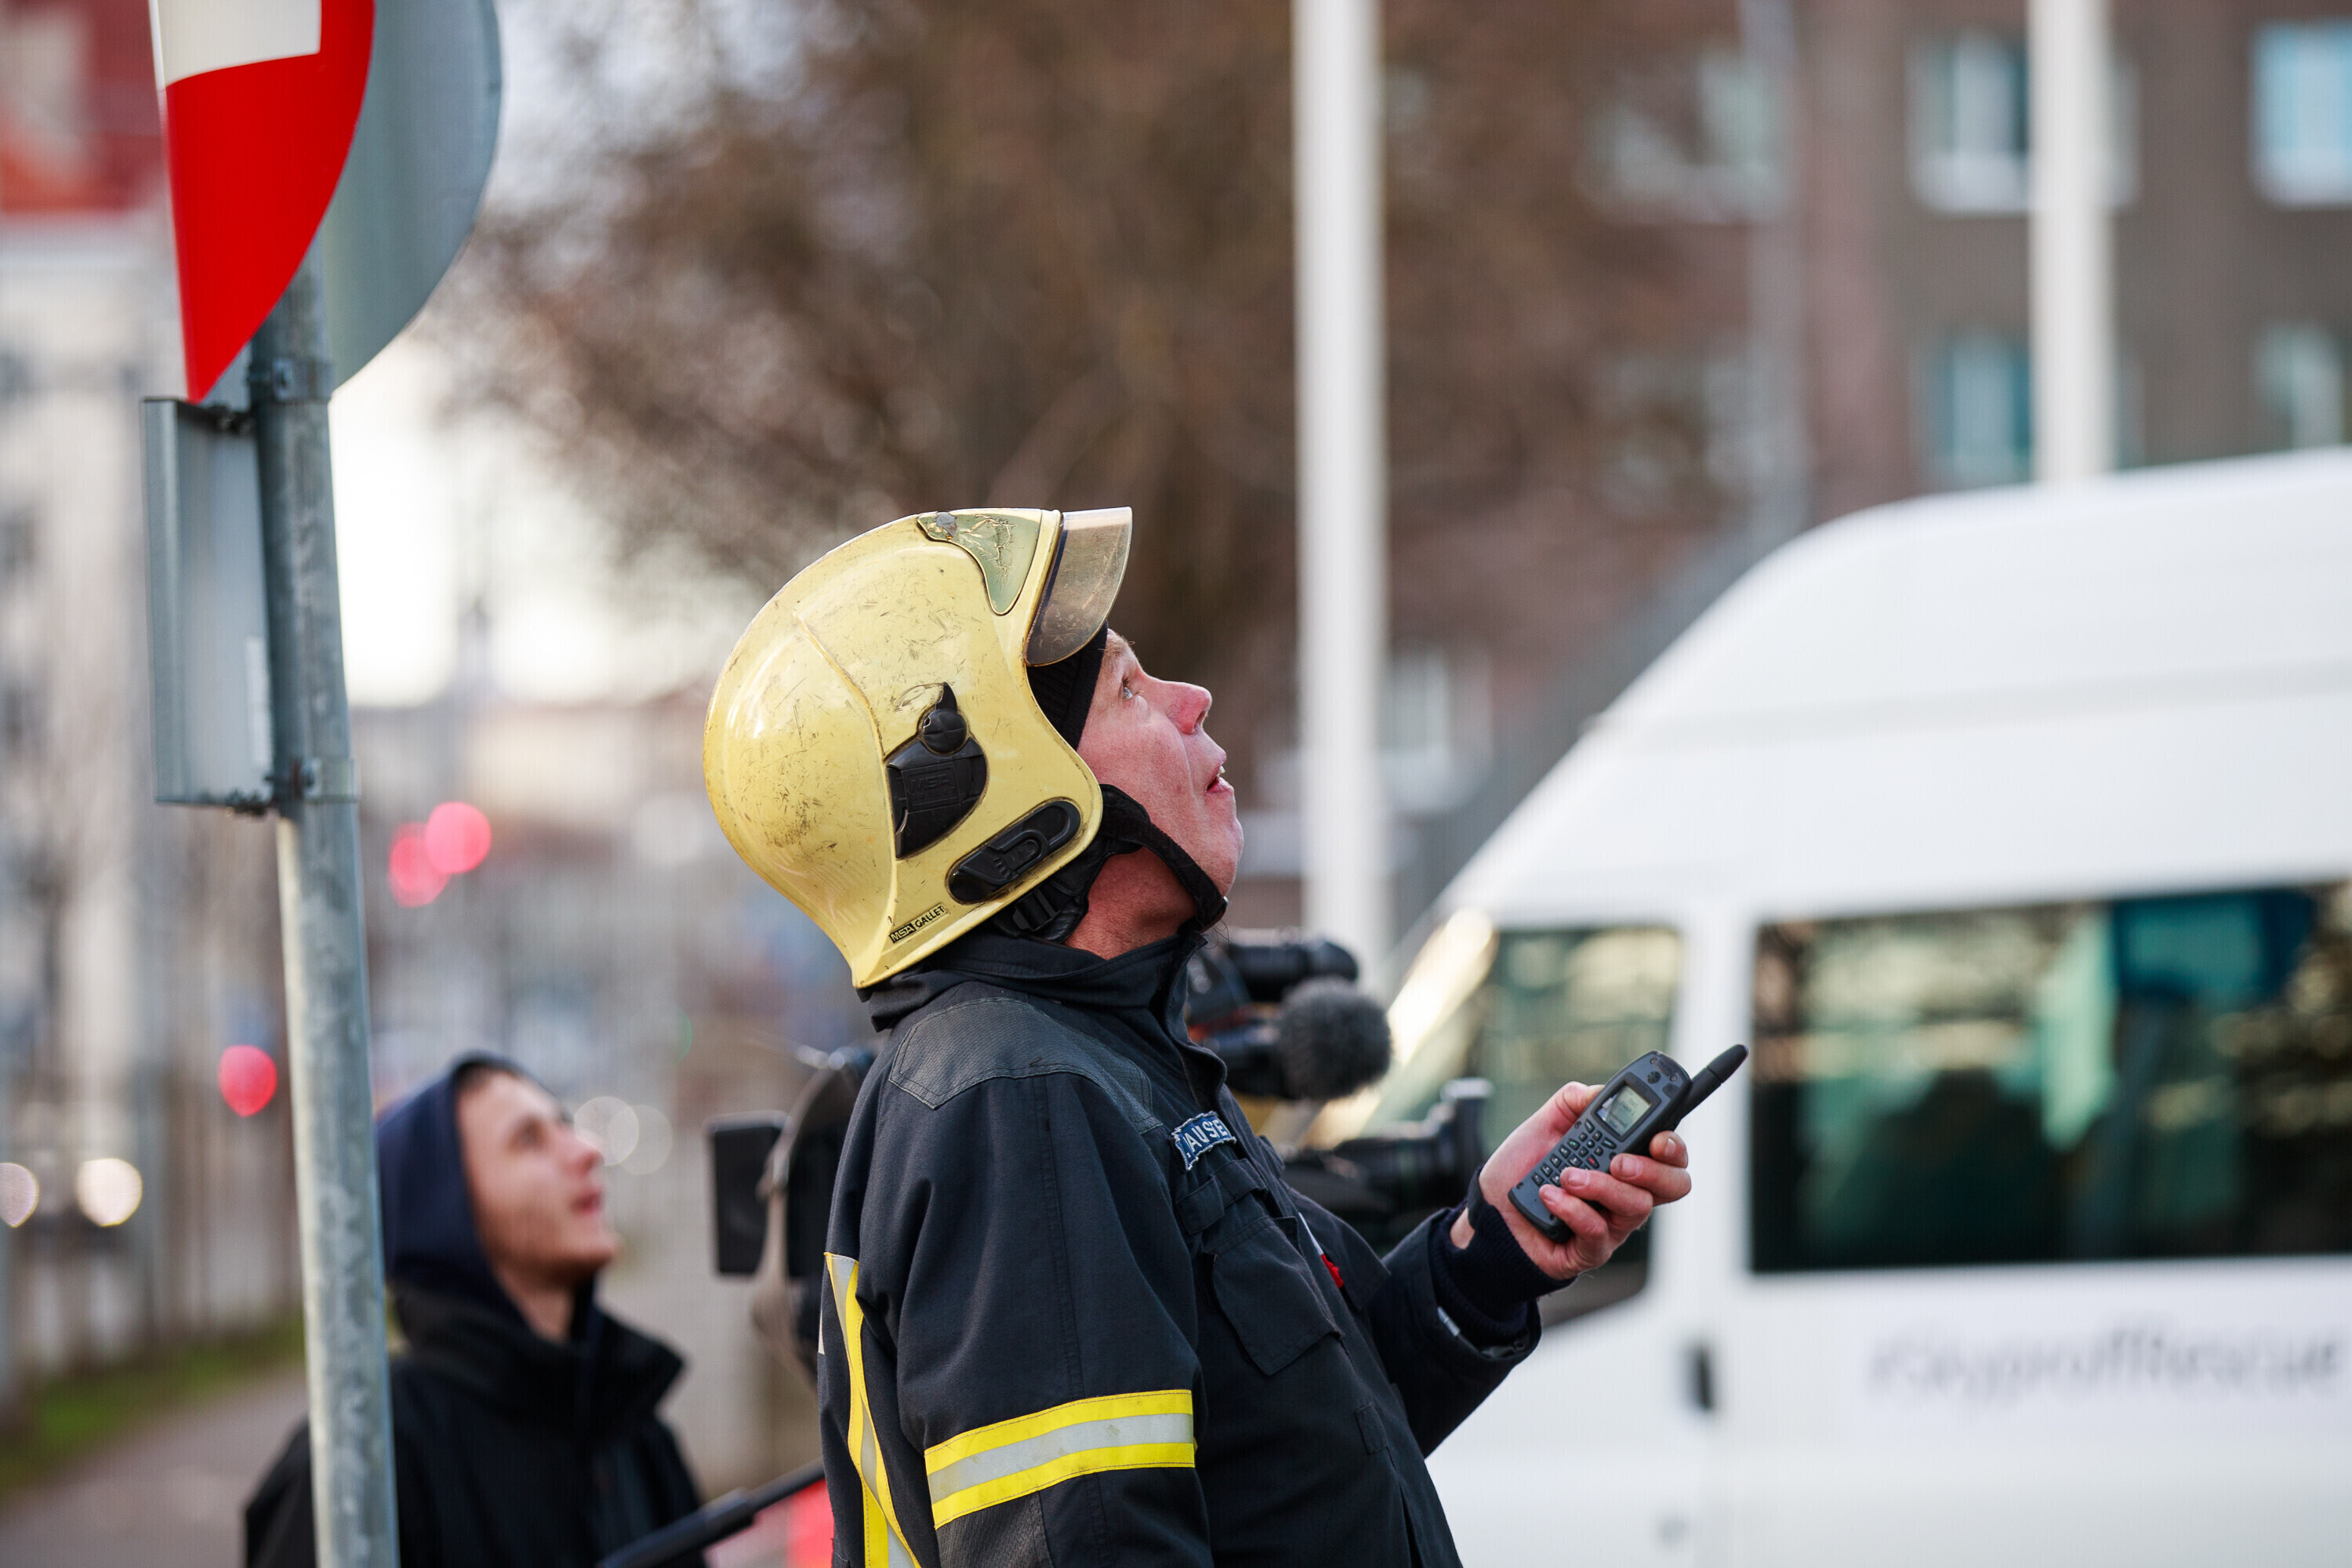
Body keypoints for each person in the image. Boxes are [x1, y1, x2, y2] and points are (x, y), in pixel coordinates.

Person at [702, 507, 1693, 1566]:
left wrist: (1486, 1259)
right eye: (1129, 690)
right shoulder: (1019, 1102)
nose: (1193, 701)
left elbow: (1298, 1469)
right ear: (1017, 809)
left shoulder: (1107, 1063)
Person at [245, 1057, 701, 1568]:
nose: (588, 1150)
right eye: (528, 1139)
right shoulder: (362, 1461)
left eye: (565, 1126)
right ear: (445, 1208)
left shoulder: (633, 1430)